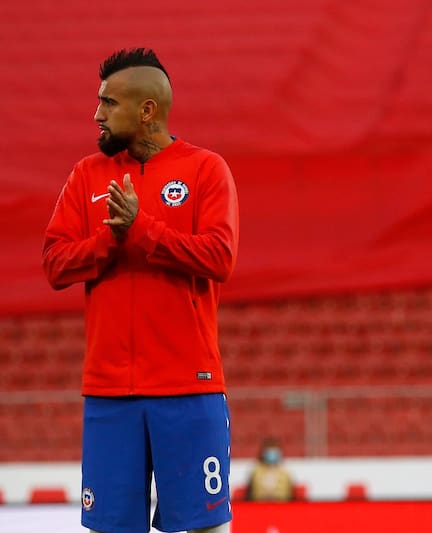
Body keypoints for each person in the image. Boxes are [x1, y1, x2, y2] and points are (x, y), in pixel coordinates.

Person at [42, 48, 239, 533]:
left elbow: (220, 257)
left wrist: (143, 230)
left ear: (147, 110)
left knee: (202, 527)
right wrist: (112, 239)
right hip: (110, 392)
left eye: (109, 103)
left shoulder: (207, 170)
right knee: (109, 527)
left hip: (188, 388)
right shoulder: (86, 175)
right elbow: (54, 263)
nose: (97, 114)